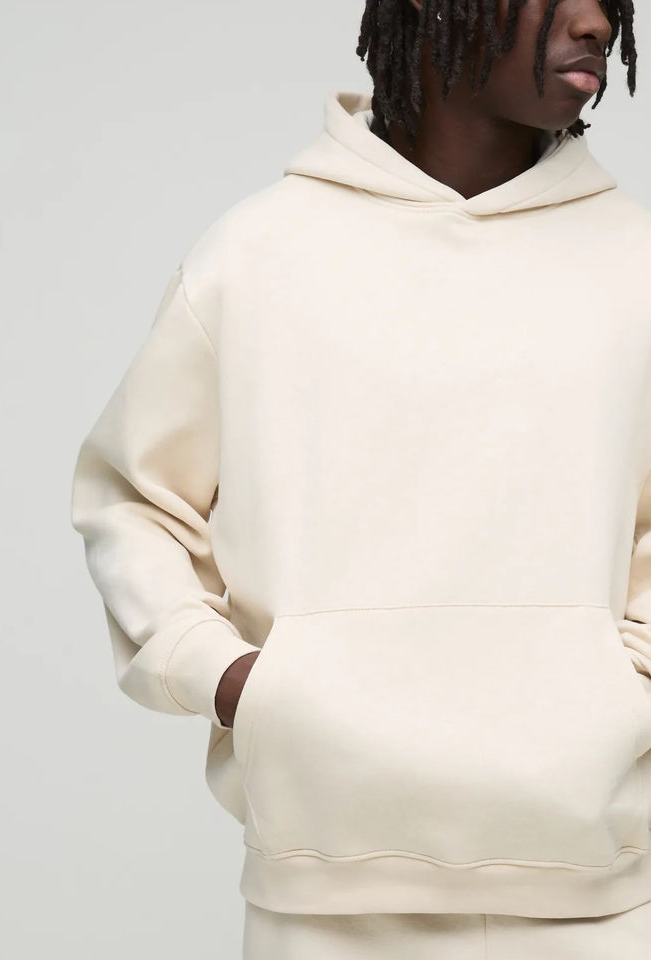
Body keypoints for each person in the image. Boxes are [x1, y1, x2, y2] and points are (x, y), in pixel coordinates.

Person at [70, 0, 651, 956]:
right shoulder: (259, 253)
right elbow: (136, 500)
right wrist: (230, 679)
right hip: (322, 894)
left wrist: (618, 694)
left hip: (603, 892)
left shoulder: (635, 263)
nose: (593, 21)